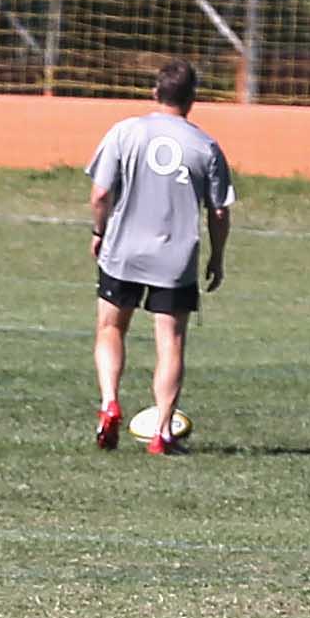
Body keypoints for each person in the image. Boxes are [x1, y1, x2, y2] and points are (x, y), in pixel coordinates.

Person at [83, 58, 234, 454]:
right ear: (192, 99)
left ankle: (109, 402)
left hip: (124, 249)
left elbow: (100, 194)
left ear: (155, 93)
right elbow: (219, 211)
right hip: (175, 255)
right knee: (170, 340)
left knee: (110, 328)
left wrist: (100, 232)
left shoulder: (125, 132)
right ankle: (162, 433)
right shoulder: (205, 145)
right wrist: (217, 257)